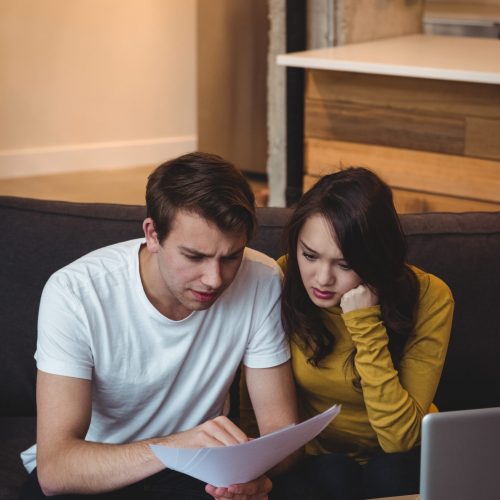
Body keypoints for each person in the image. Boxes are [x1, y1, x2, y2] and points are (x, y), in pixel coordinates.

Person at [20, 152, 299, 500]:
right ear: (152, 234)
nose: (214, 279)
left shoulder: (261, 279)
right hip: (96, 473)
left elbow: (281, 434)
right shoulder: (75, 292)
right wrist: (173, 447)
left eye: (231, 257)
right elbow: (57, 468)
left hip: (197, 473)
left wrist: (253, 475)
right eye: (194, 257)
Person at [245, 167, 454, 500]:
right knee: (332, 474)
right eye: (310, 255)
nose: (322, 279)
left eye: (345, 264)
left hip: (400, 455)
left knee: (390, 472)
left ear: (376, 259)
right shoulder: (280, 278)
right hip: (318, 460)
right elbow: (254, 403)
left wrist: (365, 324)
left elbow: (400, 439)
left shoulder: (430, 297)